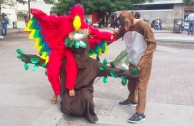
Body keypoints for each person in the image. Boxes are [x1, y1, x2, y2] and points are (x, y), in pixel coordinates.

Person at [29, 4, 116, 105]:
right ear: (71, 14)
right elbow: (49, 20)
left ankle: (70, 87)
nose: (77, 18)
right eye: (75, 15)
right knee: (52, 71)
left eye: (79, 15)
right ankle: (56, 92)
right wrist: (38, 13)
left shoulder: (83, 25)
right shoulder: (63, 20)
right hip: (57, 50)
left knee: (72, 65)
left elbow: (96, 32)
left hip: (69, 51)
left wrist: (109, 36)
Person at [113, 10, 157, 123]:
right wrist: (101, 43)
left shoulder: (143, 25)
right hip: (133, 59)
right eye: (123, 25)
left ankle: (140, 113)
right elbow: (115, 36)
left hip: (143, 61)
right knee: (131, 81)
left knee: (141, 86)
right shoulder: (124, 26)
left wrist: (143, 61)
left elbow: (152, 43)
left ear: (130, 19)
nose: (124, 27)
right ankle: (132, 99)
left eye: (125, 24)